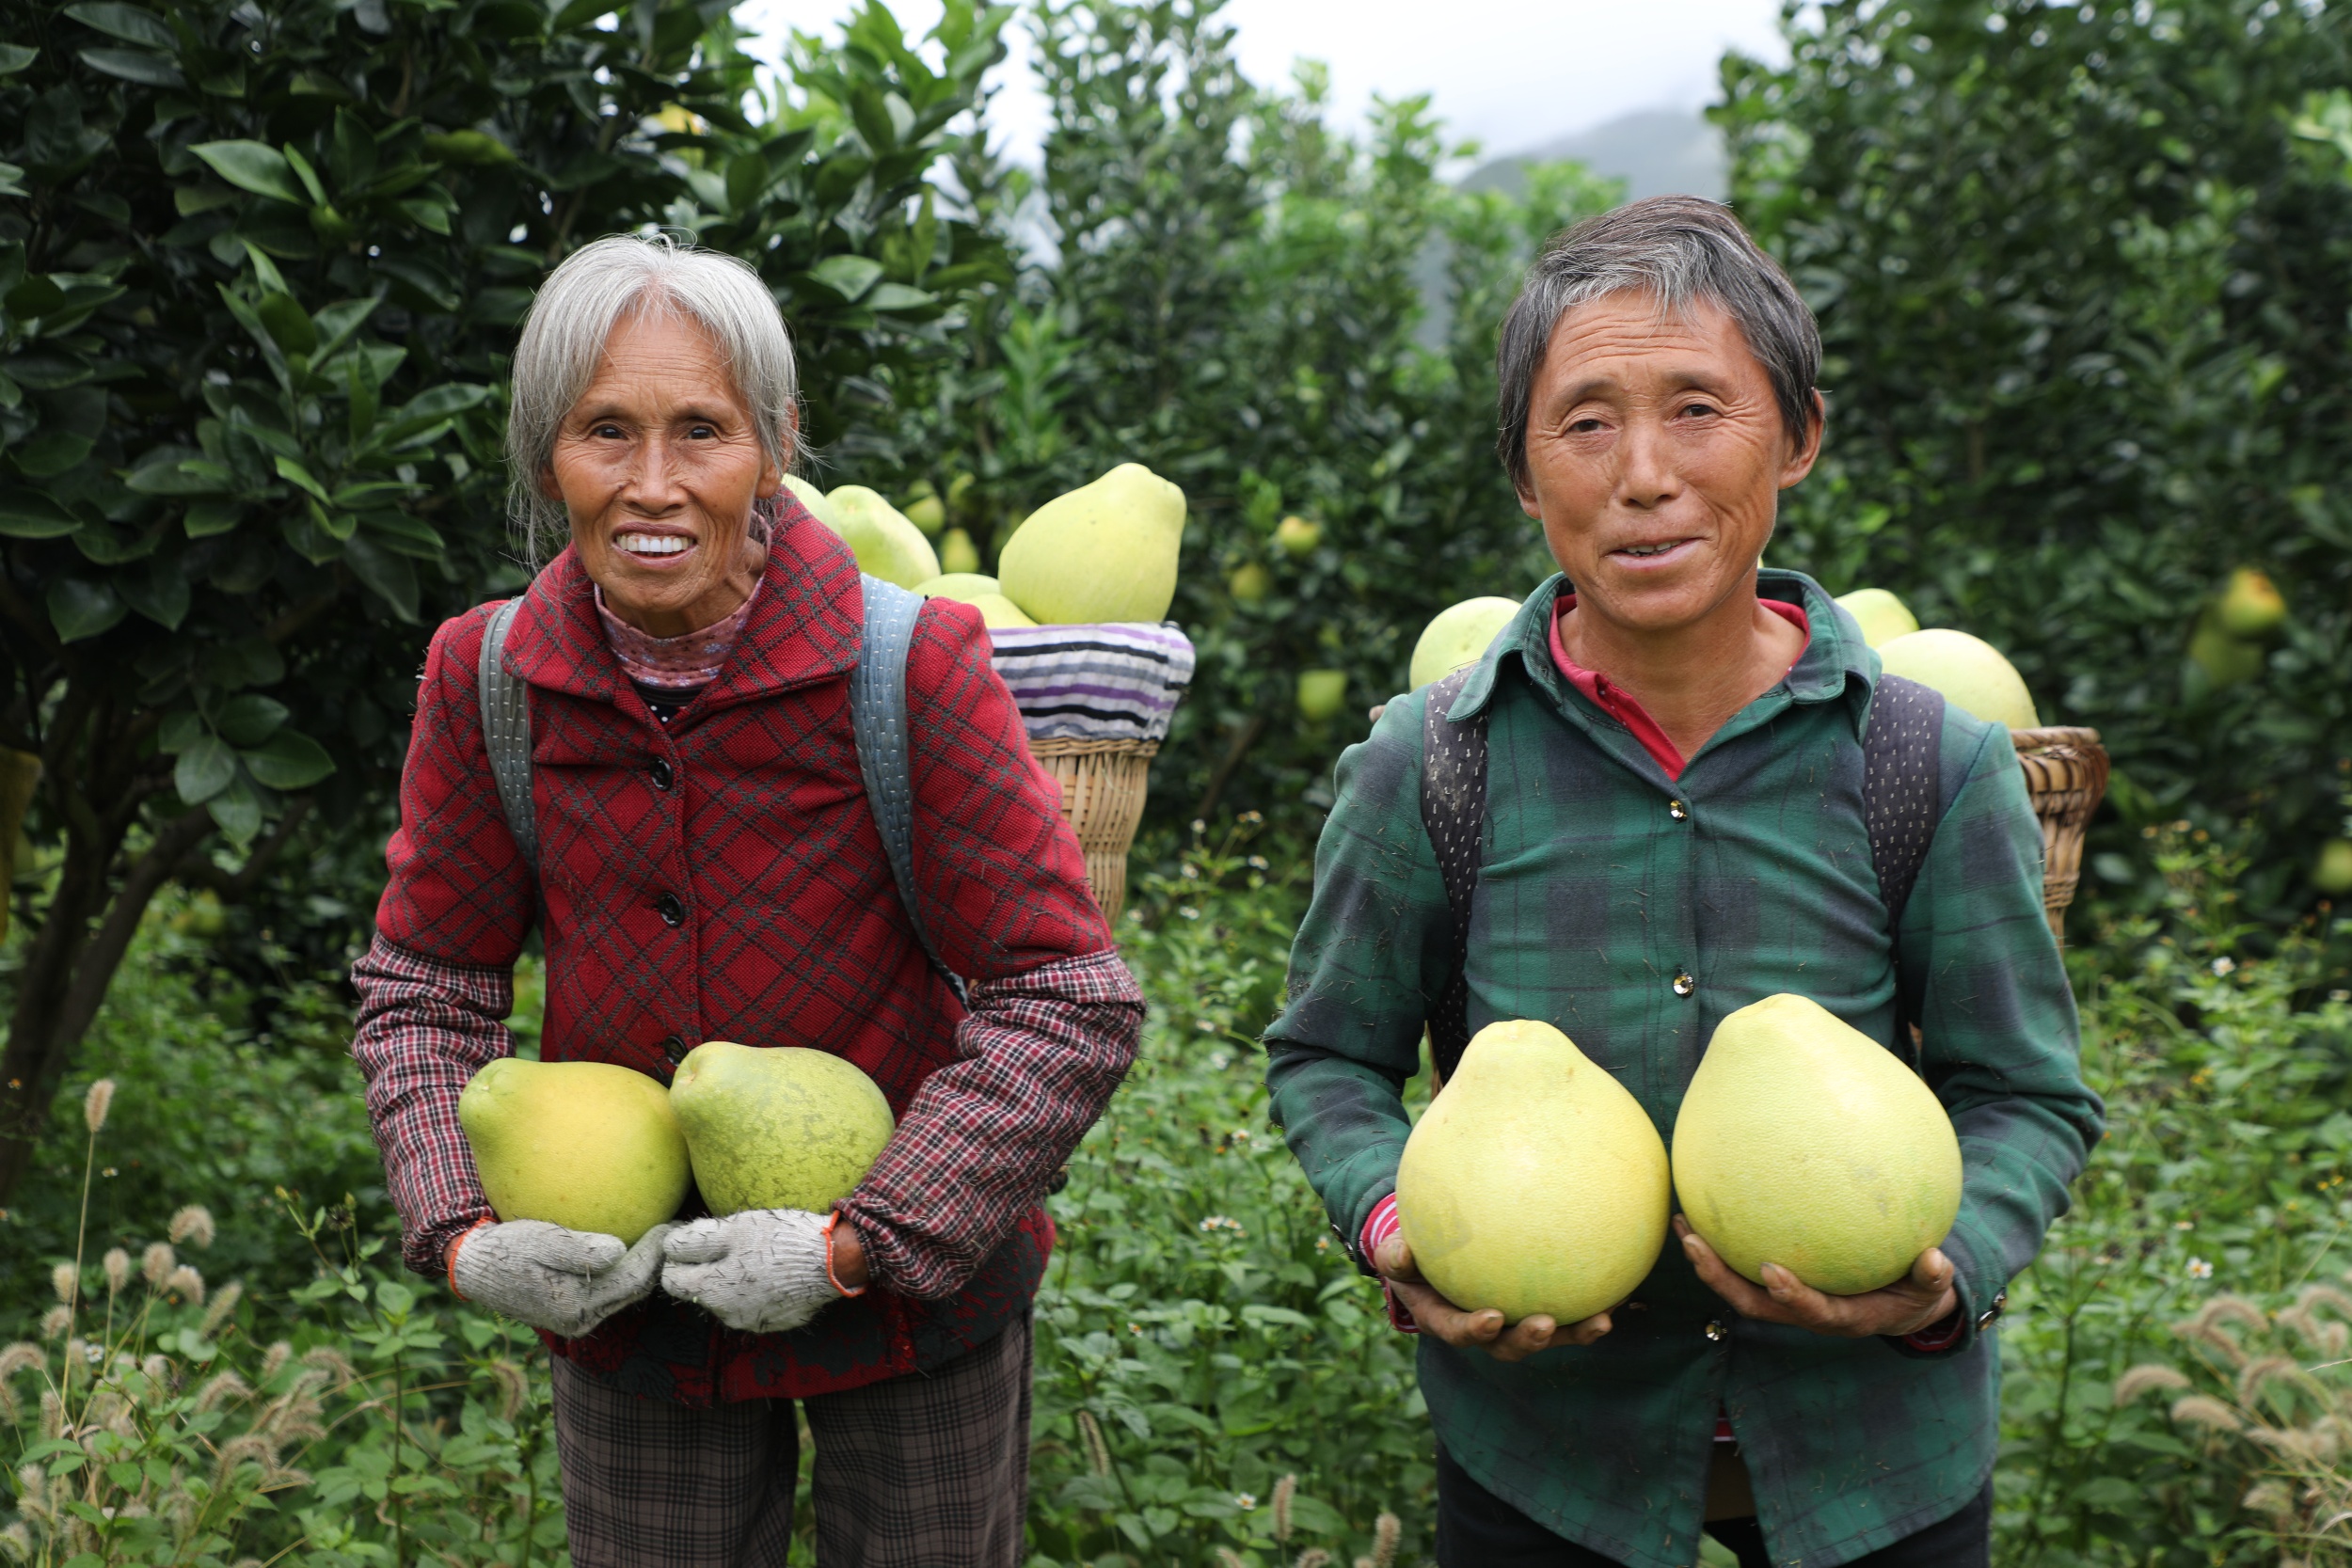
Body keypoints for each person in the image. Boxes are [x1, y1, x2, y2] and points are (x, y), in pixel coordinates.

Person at [1263, 197, 2103, 1568]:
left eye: (1699, 409)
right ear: (1527, 478)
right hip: (1549, 1464)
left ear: (1801, 436)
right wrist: (1398, 1225)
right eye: (1585, 422)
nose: (1642, 473)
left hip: (1876, 1463)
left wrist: (1948, 1273)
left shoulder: (1928, 763)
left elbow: (2027, 1091)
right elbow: (1326, 1060)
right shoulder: (1429, 768)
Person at [351, 234, 1144, 1567]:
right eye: (607, 430)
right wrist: (460, 1230)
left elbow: (1064, 997)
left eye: (701, 431)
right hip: (635, 1317)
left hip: (914, 1306)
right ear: (550, 450)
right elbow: (426, 984)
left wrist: (863, 1242)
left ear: (774, 443)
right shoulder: (488, 678)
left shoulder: (914, 666)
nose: (652, 484)